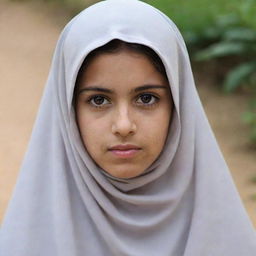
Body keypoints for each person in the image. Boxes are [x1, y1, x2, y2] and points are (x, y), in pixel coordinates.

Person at [0, 0, 255, 255]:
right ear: (68, 110)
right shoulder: (27, 242)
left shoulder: (225, 237)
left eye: (146, 98)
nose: (123, 125)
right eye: (98, 100)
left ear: (178, 106)